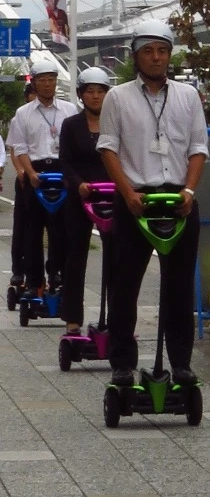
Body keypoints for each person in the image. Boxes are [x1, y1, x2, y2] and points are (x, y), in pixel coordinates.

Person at [97, 20, 208, 387]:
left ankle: (181, 364)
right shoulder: (118, 96)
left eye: (162, 50)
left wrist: (189, 192)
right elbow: (108, 148)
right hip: (136, 200)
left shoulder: (188, 96)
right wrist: (127, 193)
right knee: (124, 286)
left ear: (170, 54)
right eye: (148, 51)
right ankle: (123, 363)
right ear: (136, 56)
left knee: (179, 288)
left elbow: (198, 149)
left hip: (178, 200)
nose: (156, 57)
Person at [8, 58, 77, 297]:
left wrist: (71, 174)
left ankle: (58, 274)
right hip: (34, 173)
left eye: (51, 79)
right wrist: (29, 172)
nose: (48, 84)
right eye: (42, 80)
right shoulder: (23, 113)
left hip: (62, 173)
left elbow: (73, 145)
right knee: (32, 232)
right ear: (34, 83)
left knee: (61, 230)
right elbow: (19, 147)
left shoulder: (69, 110)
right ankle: (34, 281)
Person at [58, 66, 113, 334]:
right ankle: (72, 319)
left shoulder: (117, 122)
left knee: (117, 257)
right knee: (76, 257)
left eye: (100, 91)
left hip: (113, 196)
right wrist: (78, 184)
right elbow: (65, 161)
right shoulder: (71, 125)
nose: (95, 96)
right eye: (89, 91)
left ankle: (117, 318)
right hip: (81, 198)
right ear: (81, 95)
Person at [6, 81, 37, 292]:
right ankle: (18, 269)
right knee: (23, 227)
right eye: (32, 94)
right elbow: (15, 149)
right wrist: (20, 171)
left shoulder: (61, 113)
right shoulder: (21, 117)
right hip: (27, 178)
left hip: (50, 178)